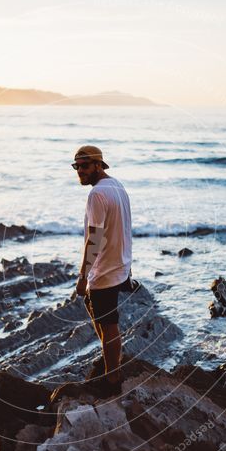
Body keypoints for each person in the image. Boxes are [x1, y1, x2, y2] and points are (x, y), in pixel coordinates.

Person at [73, 144, 133, 396]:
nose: (80, 171)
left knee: (108, 324)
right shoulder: (117, 186)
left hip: (105, 269)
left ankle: (112, 377)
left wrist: (82, 275)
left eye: (85, 165)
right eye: (77, 166)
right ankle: (111, 362)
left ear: (99, 165)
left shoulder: (97, 194)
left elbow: (94, 238)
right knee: (100, 315)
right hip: (120, 264)